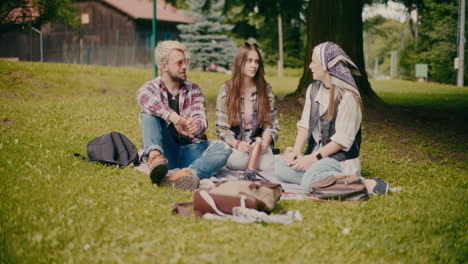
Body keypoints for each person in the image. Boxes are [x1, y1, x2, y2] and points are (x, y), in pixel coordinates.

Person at [136, 40, 232, 191]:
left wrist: (196, 126)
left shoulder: (194, 90)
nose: (184, 66)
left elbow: (201, 120)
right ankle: (154, 158)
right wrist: (176, 118)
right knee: (148, 115)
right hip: (165, 151)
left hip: (190, 150)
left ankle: (185, 175)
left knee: (224, 148)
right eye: (179, 63)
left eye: (185, 61)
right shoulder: (151, 88)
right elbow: (142, 96)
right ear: (163, 65)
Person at [274, 41, 365, 192]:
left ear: (326, 66)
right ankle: (324, 180)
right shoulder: (313, 89)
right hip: (315, 158)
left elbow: (341, 142)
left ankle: (357, 180)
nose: (310, 66)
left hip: (338, 160)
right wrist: (297, 151)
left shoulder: (348, 97)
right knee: (279, 168)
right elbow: (305, 124)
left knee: (308, 180)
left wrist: (311, 159)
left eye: (314, 61)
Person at [216, 42, 279, 171]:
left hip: (259, 143)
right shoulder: (226, 89)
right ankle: (252, 161)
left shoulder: (266, 89)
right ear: (240, 63)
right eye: (249, 61)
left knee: (268, 166)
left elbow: (272, 125)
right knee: (235, 163)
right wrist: (237, 144)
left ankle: (259, 160)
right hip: (237, 144)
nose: (253, 65)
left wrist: (264, 143)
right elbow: (222, 129)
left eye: (256, 62)